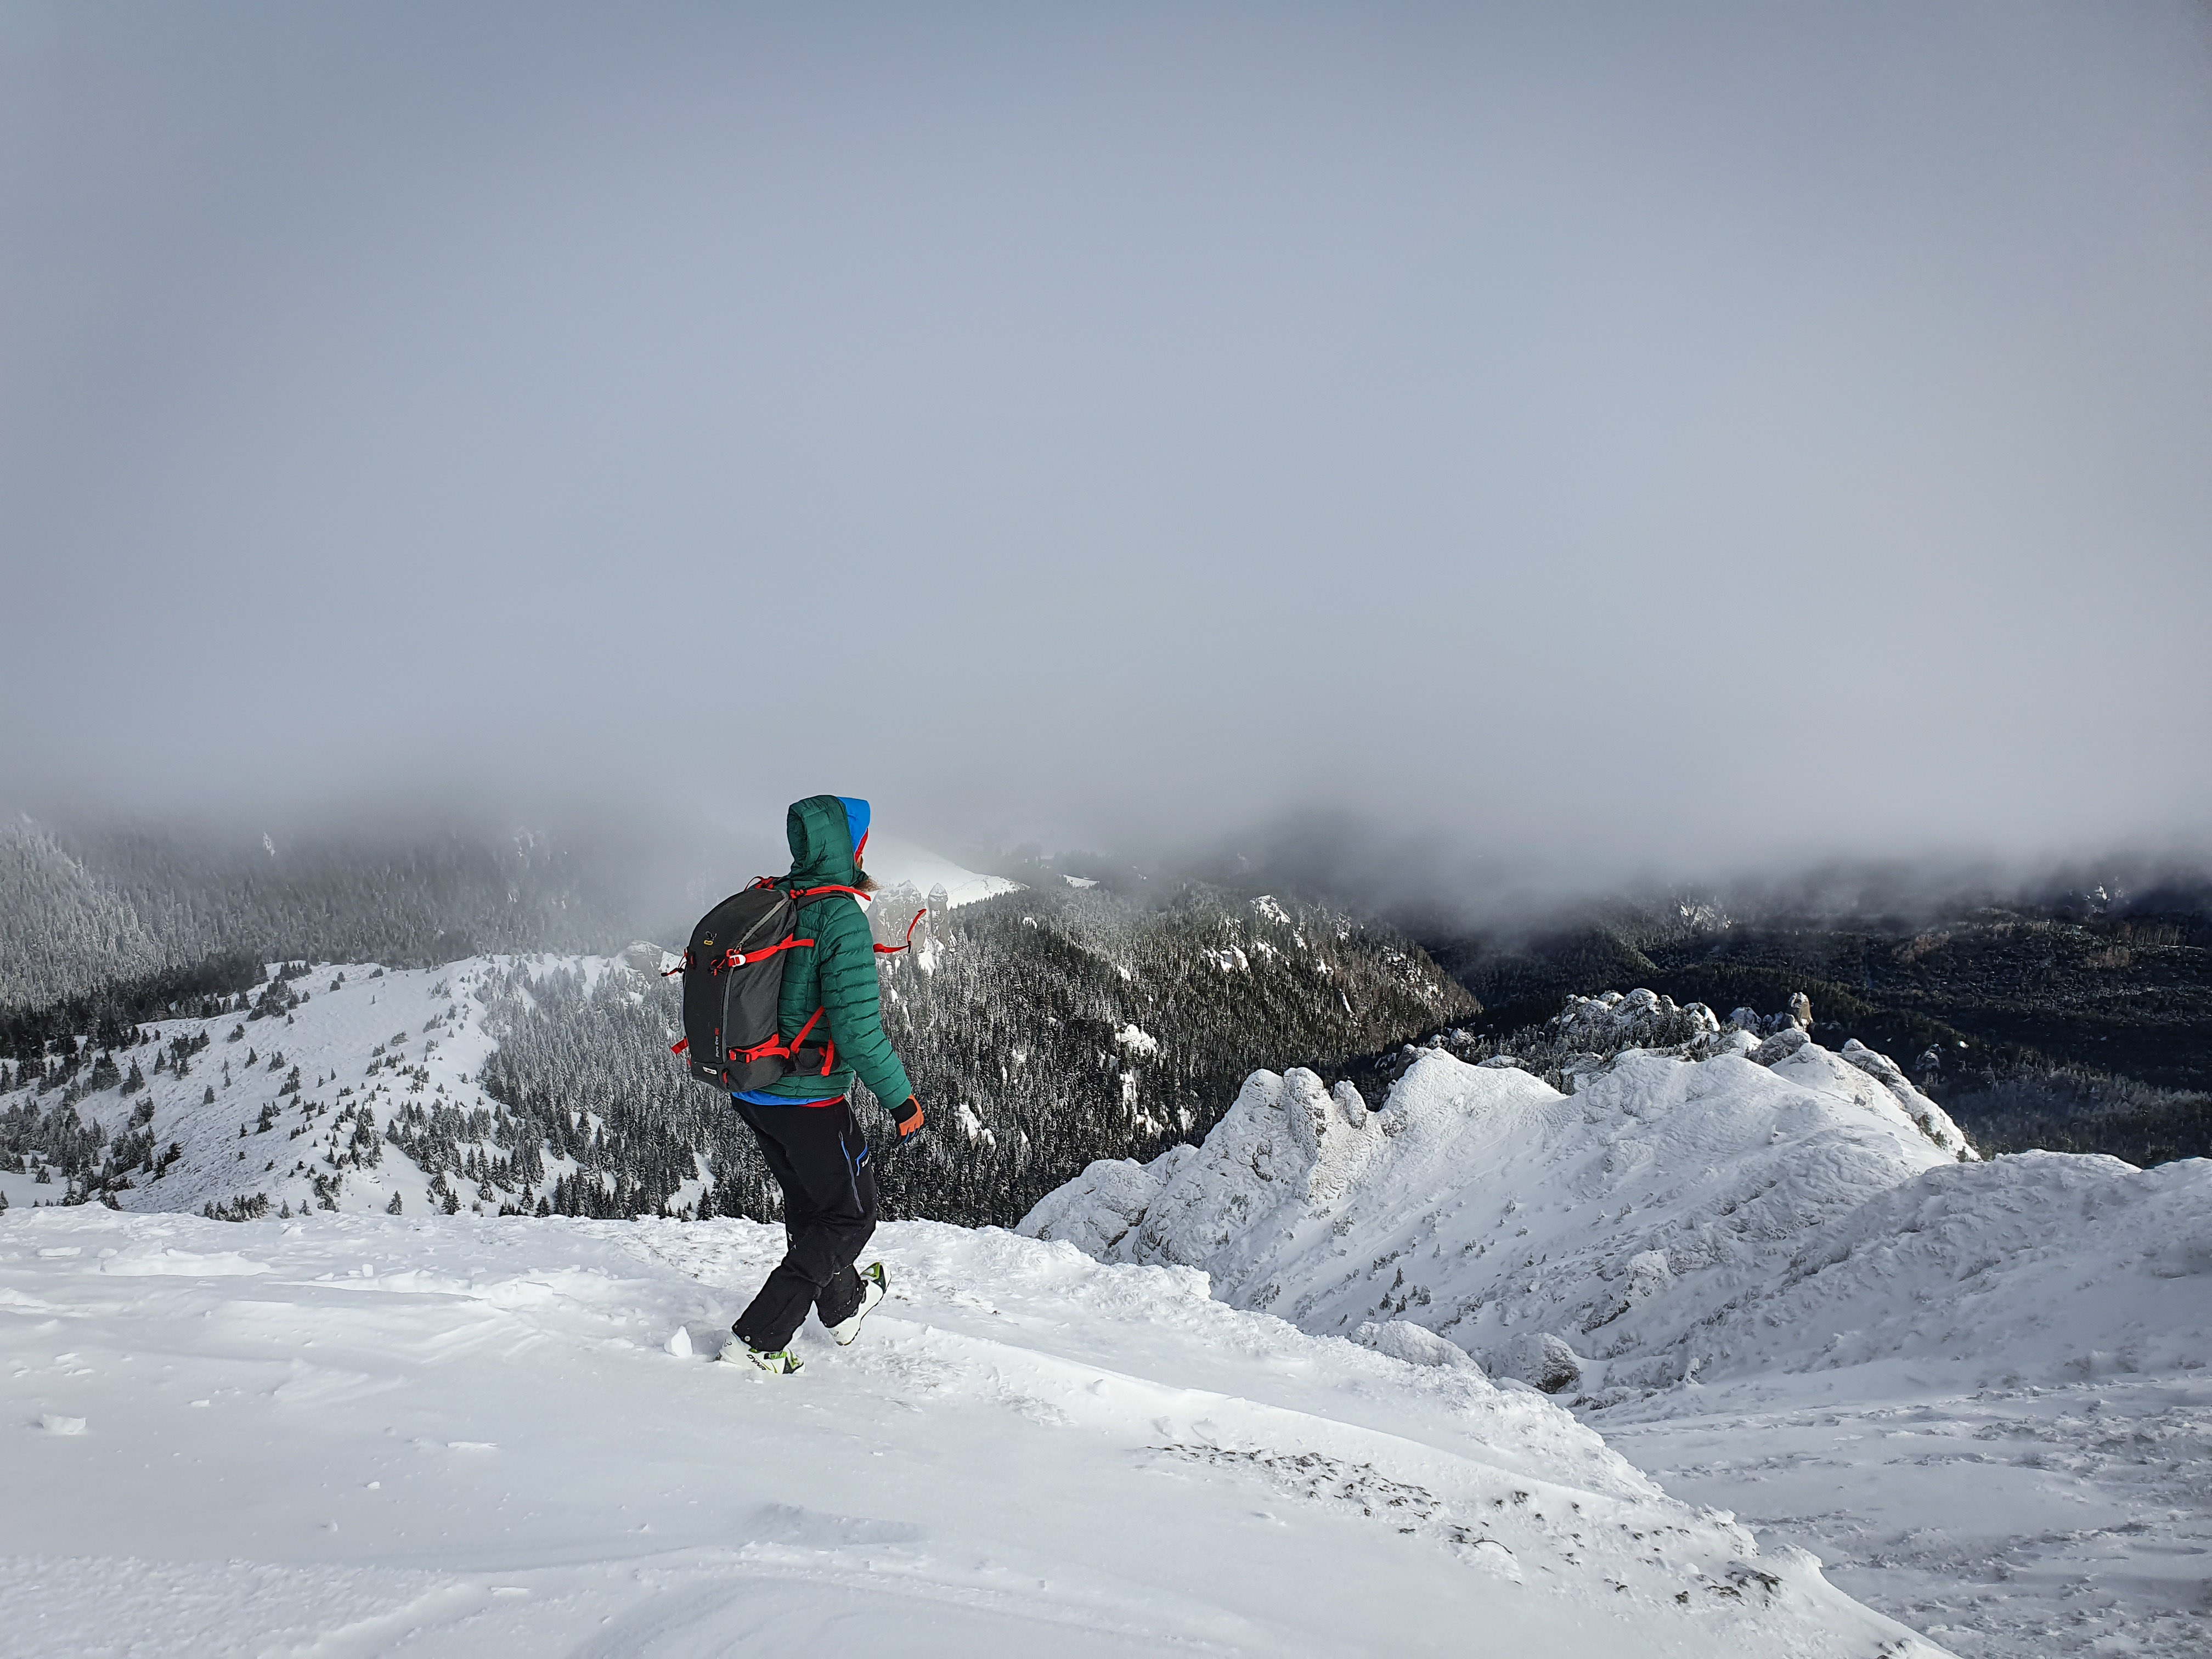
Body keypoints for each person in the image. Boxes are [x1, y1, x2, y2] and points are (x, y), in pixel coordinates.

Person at [724, 794, 925, 1374]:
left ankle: (842, 1307)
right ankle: (760, 1336)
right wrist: (902, 1101)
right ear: (851, 847)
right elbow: (858, 1031)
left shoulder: (780, 899)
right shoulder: (840, 917)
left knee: (813, 1204)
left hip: (754, 1090)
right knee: (850, 1217)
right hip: (806, 1100)